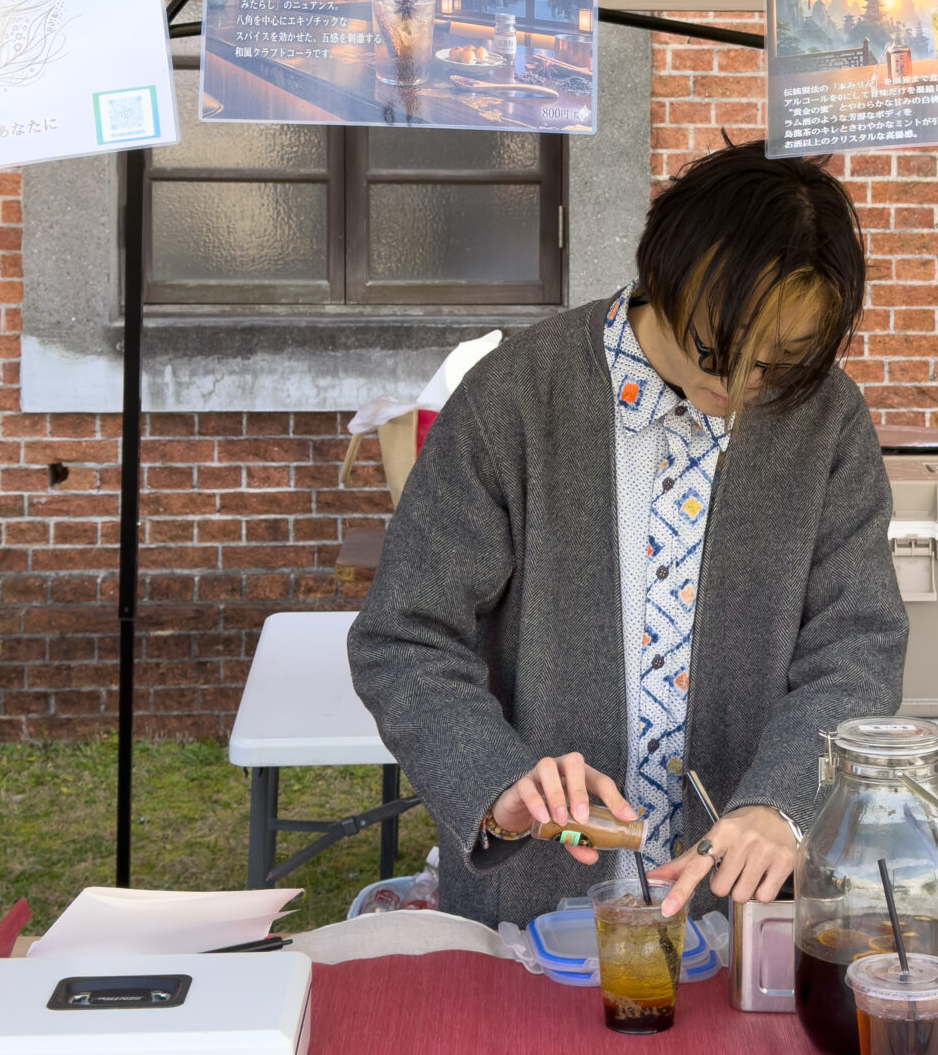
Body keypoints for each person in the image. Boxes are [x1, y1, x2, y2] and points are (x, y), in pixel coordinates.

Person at [348, 140, 907, 927]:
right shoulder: (516, 396)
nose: (742, 386)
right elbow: (404, 636)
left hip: (750, 922)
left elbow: (858, 644)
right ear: (665, 270)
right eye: (719, 347)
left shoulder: (828, 420)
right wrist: (499, 781)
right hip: (535, 909)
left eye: (781, 363)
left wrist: (783, 804)